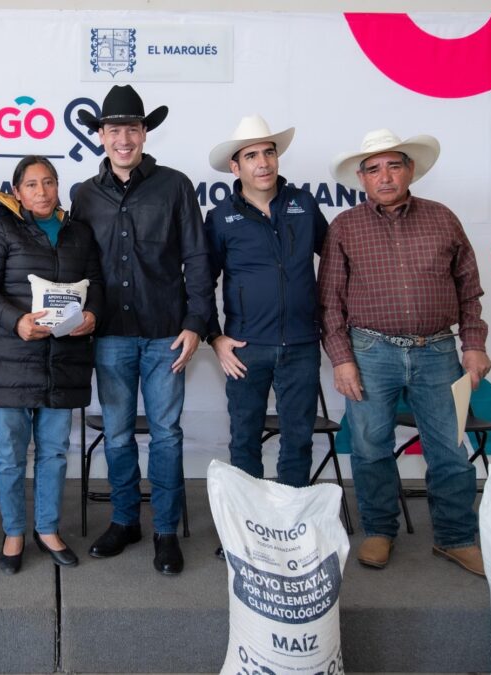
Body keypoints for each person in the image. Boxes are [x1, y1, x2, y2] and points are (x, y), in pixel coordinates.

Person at [318, 129, 491, 576]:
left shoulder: (442, 219)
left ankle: (456, 538)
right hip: (369, 352)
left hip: (438, 351)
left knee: (450, 447)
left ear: (410, 169)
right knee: (370, 445)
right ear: (361, 178)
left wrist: (474, 344)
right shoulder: (345, 227)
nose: (385, 176)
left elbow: (469, 290)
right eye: (374, 169)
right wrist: (341, 358)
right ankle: (379, 530)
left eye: (394, 165)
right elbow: (330, 302)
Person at [71, 85, 215, 576]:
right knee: (115, 435)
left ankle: (166, 531)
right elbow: (77, 263)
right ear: (101, 136)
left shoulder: (175, 185)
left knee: (167, 435)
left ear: (144, 133)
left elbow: (198, 258)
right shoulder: (83, 194)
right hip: (108, 334)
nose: (123, 139)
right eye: (114, 130)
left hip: (165, 334)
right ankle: (125, 520)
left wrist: (196, 323)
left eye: (132, 129)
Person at [0, 156, 104, 574]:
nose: (42, 191)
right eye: (31, 184)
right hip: (11, 362)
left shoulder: (79, 233)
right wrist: (17, 321)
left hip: (63, 362)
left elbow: (97, 285)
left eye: (49, 182)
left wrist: (93, 315)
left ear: (58, 186)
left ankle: (47, 530)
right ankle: (13, 533)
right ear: (17, 192)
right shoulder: (0, 230)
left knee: (55, 452)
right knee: (11, 455)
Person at [204, 115, 328, 556]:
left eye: (269, 152)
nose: (263, 162)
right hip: (245, 348)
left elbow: (337, 263)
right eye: (252, 155)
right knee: (244, 440)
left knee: (298, 439)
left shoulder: (304, 205)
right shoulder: (220, 218)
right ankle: (246, 530)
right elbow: (201, 282)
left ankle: (289, 531)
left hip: (301, 346)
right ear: (235, 166)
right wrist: (215, 337)